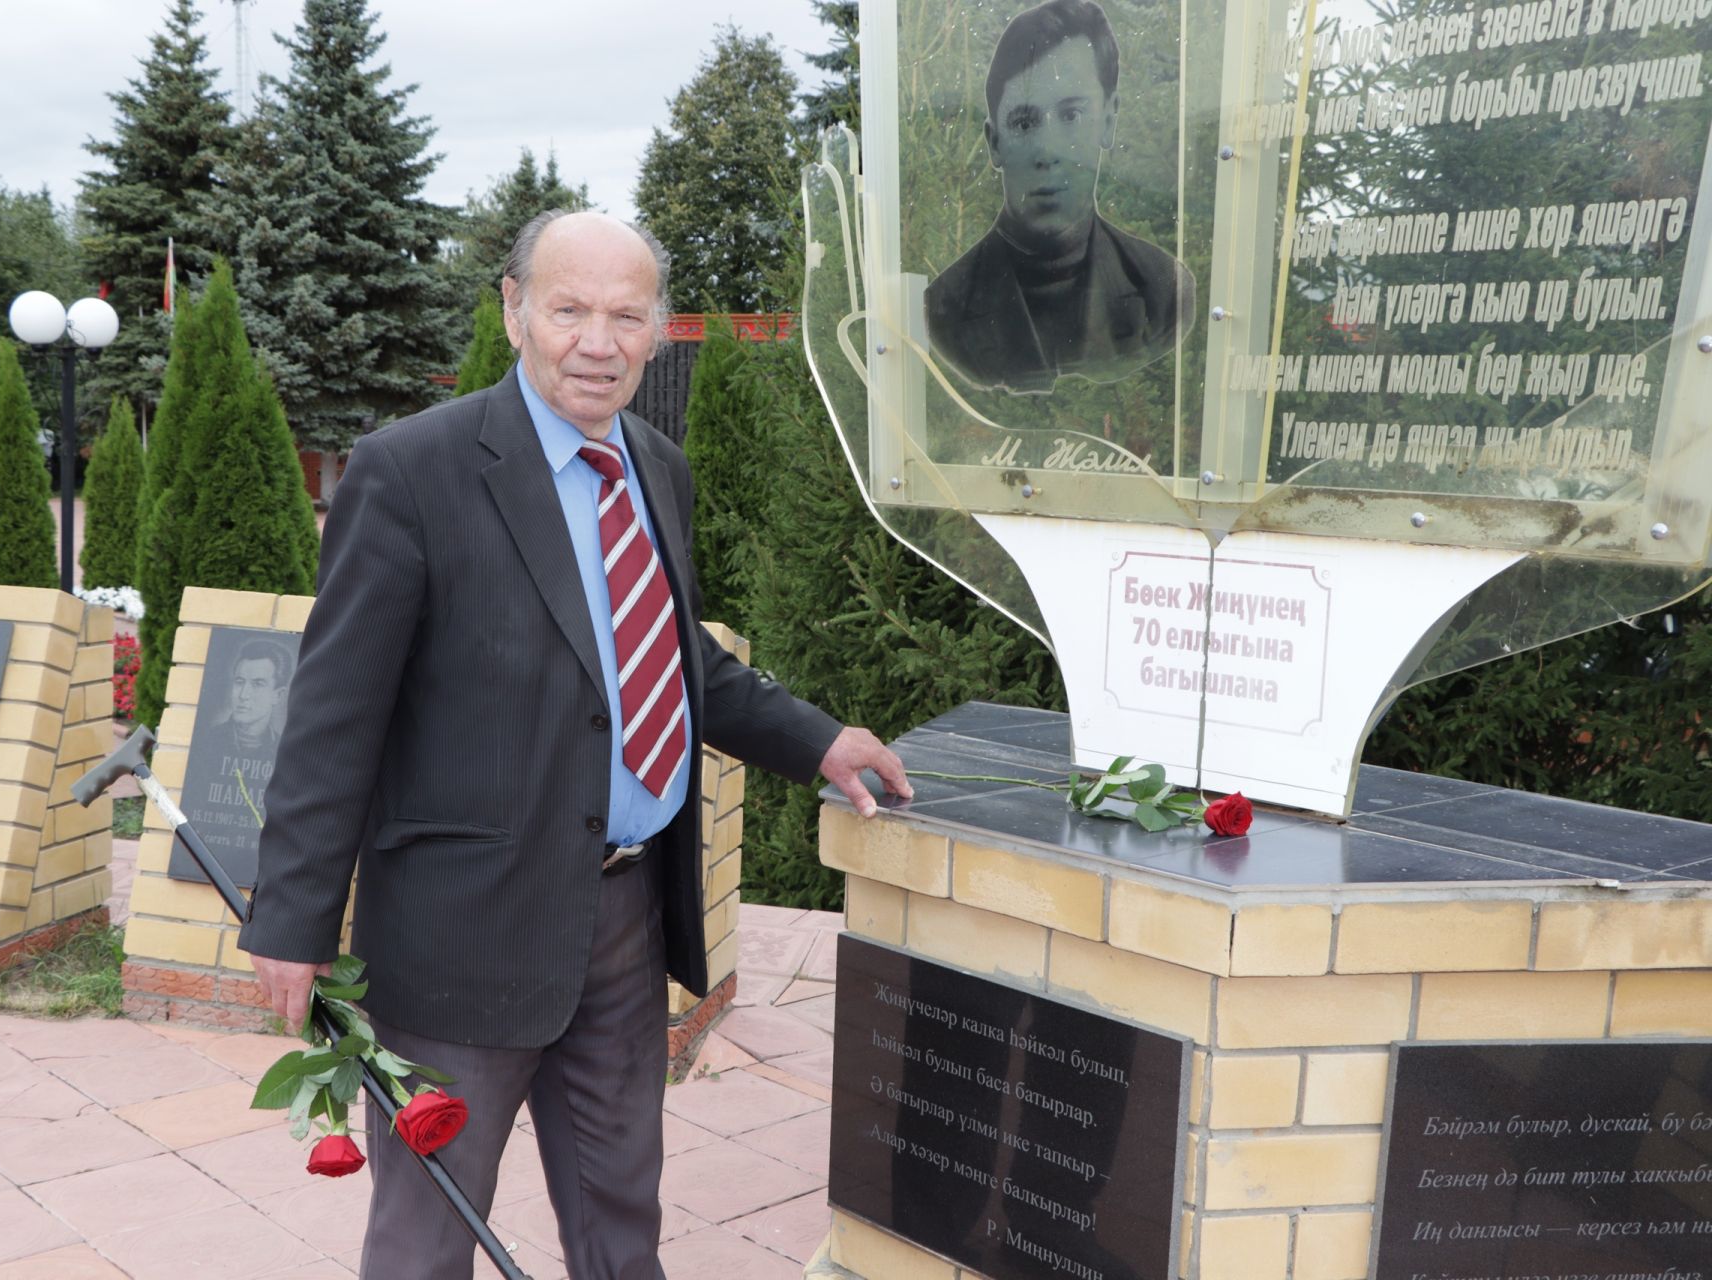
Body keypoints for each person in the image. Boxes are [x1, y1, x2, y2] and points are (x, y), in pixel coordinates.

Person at [238, 209, 913, 1280]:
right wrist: (294, 914)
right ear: (514, 311)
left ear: (656, 331)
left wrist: (818, 737)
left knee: (620, 1216)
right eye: (569, 309)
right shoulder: (411, 471)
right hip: (462, 934)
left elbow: (664, 649)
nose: (598, 340)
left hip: (623, 923)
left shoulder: (655, 464)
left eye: (626, 315)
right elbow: (335, 709)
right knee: (425, 1236)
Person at [925, 0, 1194, 392]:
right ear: (994, 142)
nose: (1047, 150)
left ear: (1108, 120)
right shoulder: (946, 308)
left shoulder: (1164, 294)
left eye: (1071, 115)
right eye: (1023, 122)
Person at [214, 637, 292, 754]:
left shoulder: (285, 750)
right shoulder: (208, 740)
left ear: (278, 695)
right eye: (239, 682)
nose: (243, 695)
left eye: (258, 684)